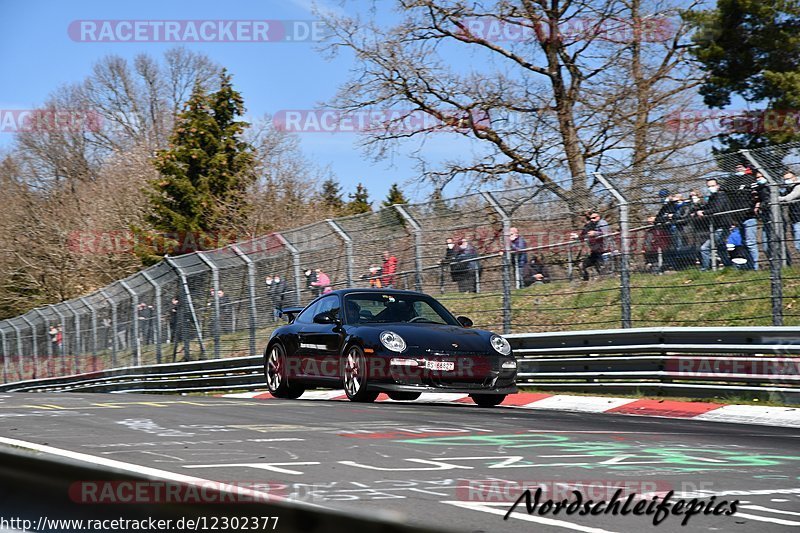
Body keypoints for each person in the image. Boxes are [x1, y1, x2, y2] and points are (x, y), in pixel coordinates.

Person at [694, 178, 732, 270]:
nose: (710, 188)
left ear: (717, 186)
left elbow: (717, 209)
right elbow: (706, 207)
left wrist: (703, 213)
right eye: (708, 186)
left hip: (722, 226)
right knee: (720, 247)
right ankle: (728, 266)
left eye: (712, 186)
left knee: (705, 248)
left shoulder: (721, 195)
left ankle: (705, 268)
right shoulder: (712, 197)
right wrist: (697, 210)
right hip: (716, 226)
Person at [574, 211, 609, 281]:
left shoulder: (602, 223)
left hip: (605, 251)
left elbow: (607, 234)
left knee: (603, 269)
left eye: (594, 218)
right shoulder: (590, 225)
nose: (592, 220)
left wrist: (595, 233)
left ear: (598, 217)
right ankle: (585, 283)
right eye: (590, 218)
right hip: (595, 252)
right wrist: (577, 237)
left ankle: (605, 281)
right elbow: (584, 235)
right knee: (582, 266)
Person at [779, 171, 800, 254]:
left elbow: (789, 198)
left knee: (798, 244)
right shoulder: (788, 187)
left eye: (788, 179)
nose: (786, 181)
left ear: (794, 178)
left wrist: (774, 198)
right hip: (794, 218)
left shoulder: (798, 186)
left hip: (798, 219)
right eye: (785, 179)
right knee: (797, 242)